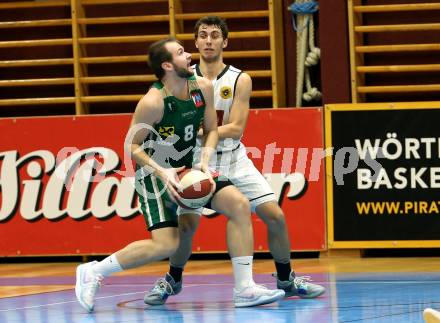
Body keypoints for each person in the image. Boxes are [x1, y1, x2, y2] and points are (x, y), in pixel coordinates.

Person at [75, 37, 284, 312]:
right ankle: (94, 271)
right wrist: (163, 173)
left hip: (189, 166)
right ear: (167, 65)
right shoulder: (153, 102)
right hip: (154, 175)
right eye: (181, 52)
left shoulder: (203, 88)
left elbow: (211, 130)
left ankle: (244, 289)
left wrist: (205, 159)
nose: (189, 56)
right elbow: (132, 146)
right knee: (166, 244)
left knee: (239, 205)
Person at [144, 16, 325, 306]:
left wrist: (197, 129)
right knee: (187, 227)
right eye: (202, 36)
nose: (208, 41)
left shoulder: (240, 79)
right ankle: (172, 280)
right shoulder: (181, 76)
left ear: (225, 42)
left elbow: (237, 128)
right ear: (196, 42)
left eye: (215, 35)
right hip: (194, 158)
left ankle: (285, 277)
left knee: (275, 215)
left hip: (233, 157)